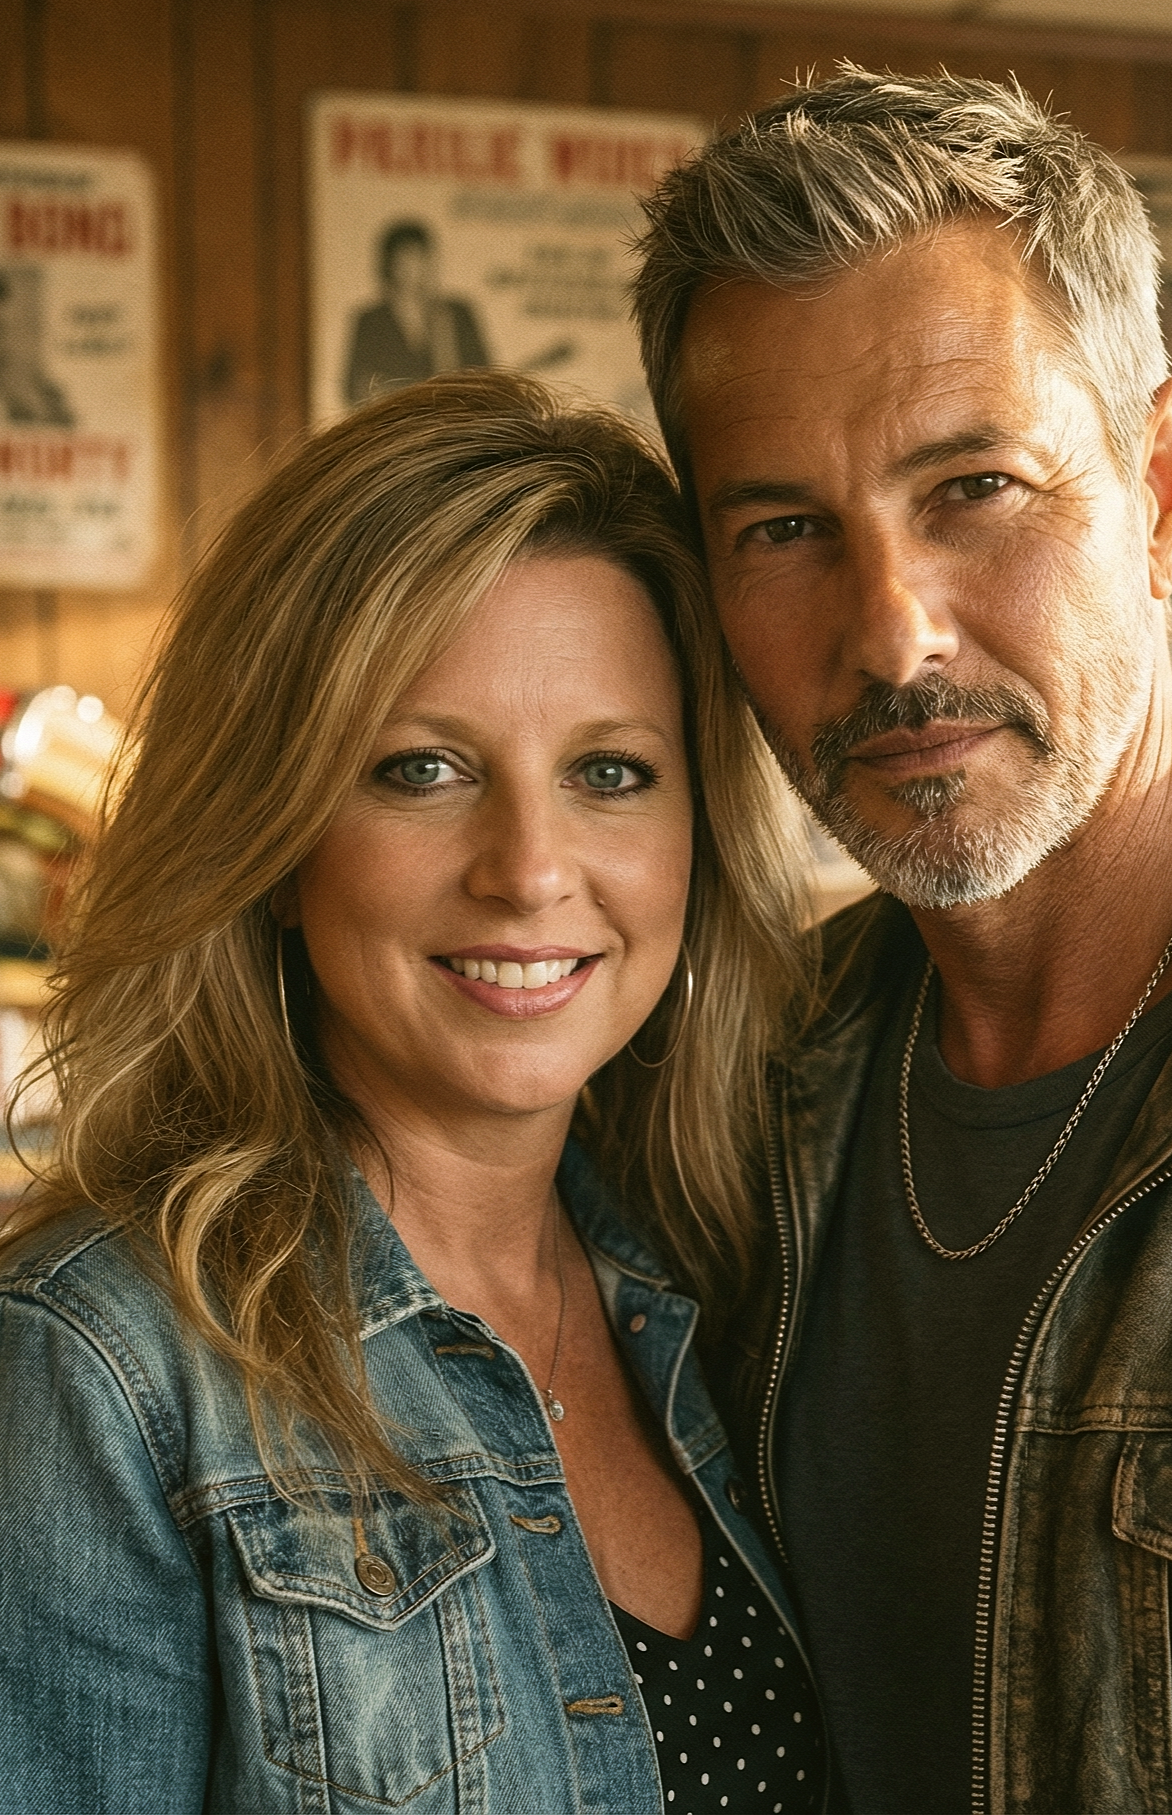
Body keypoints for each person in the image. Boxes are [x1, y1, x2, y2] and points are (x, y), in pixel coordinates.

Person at [632, 69, 1172, 1813]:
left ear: (1166, 489)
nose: (893, 634)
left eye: (976, 489)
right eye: (785, 529)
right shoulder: (714, 1087)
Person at [0, 371, 829, 1815]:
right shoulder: (101, 1376)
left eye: (612, 772)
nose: (526, 868)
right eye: (422, 768)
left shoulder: (738, 1285)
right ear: (270, 840)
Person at [343, 220, 490, 406]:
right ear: (390, 264)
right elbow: (353, 386)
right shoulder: (371, 320)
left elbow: (485, 376)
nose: (413, 269)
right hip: (395, 423)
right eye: (405, 260)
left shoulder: (457, 312)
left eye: (420, 258)